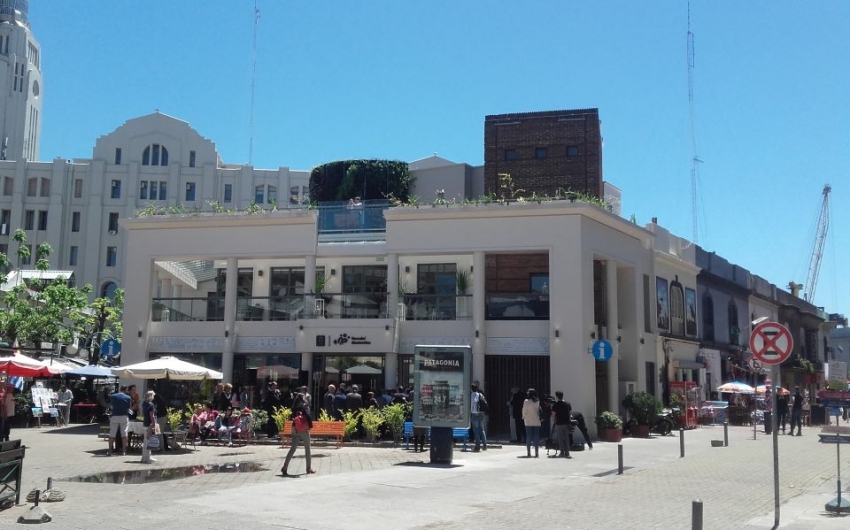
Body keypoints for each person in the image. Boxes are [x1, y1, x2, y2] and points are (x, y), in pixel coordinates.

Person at [281, 393, 315, 476]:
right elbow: (308, 415)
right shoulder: (305, 405)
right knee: (307, 448)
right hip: (303, 429)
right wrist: (310, 426)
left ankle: (285, 467)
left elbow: (294, 418)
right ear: (303, 398)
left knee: (293, 448)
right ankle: (308, 468)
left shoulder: (294, 406)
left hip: (294, 429)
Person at [107, 385, 131, 456]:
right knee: (124, 434)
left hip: (115, 416)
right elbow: (128, 407)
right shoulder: (128, 397)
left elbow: (111, 406)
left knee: (112, 434)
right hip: (124, 416)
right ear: (126, 389)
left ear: (120, 389)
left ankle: (110, 451)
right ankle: (124, 451)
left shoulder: (113, 396)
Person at [550, 391, 572, 459]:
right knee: (566, 438)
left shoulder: (555, 405)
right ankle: (567, 452)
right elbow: (570, 413)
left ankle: (562, 452)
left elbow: (553, 414)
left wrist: (553, 422)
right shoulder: (568, 404)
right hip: (566, 423)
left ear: (556, 397)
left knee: (560, 438)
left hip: (559, 423)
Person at [522, 388, 542, 458]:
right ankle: (536, 453)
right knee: (536, 437)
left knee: (529, 437)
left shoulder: (526, 401)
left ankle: (529, 453)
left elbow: (524, 411)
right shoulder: (537, 401)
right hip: (537, 421)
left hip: (528, 421)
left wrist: (523, 417)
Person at [141, 390, 158, 464]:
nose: (153, 397)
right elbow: (152, 415)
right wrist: (154, 424)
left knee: (145, 441)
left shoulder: (144, 403)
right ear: (151, 396)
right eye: (153, 396)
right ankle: (147, 458)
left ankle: (144, 457)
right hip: (149, 425)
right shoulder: (151, 405)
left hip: (145, 423)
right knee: (148, 441)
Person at [470, 383, 488, 452]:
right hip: (481, 414)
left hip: (474, 414)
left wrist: (471, 411)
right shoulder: (480, 394)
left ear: (471, 389)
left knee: (476, 430)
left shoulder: (472, 395)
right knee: (482, 429)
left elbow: (471, 405)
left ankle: (477, 446)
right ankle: (485, 445)